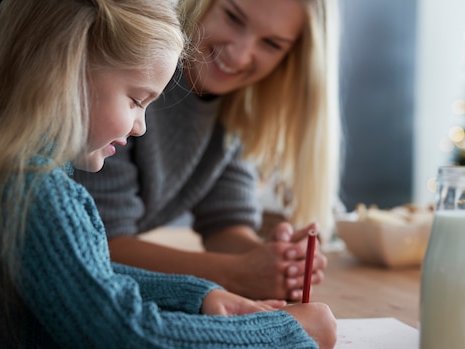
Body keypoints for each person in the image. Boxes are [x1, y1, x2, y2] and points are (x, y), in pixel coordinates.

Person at [0, 1, 338, 349]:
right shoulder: (38, 194)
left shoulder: (0, 175)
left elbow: (82, 273)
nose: (141, 126)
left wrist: (196, 296)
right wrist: (289, 335)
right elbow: (131, 346)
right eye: (135, 100)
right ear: (63, 72)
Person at [74, 0, 343, 302]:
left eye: (271, 44)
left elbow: (226, 223)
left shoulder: (235, 104)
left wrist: (275, 261)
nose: (240, 55)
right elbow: (97, 242)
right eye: (232, 17)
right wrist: (238, 272)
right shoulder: (132, 78)